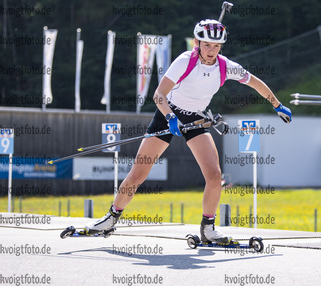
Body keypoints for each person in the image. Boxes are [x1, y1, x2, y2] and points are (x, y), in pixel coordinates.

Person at [85, 19, 292, 243]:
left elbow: (254, 82)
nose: (212, 51)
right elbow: (159, 95)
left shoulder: (225, 66)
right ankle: (110, 218)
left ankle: (208, 229)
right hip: (169, 114)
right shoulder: (185, 60)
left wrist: (277, 104)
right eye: (207, 45)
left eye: (216, 46)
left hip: (196, 118)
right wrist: (170, 118)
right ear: (197, 43)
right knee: (139, 174)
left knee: (214, 176)